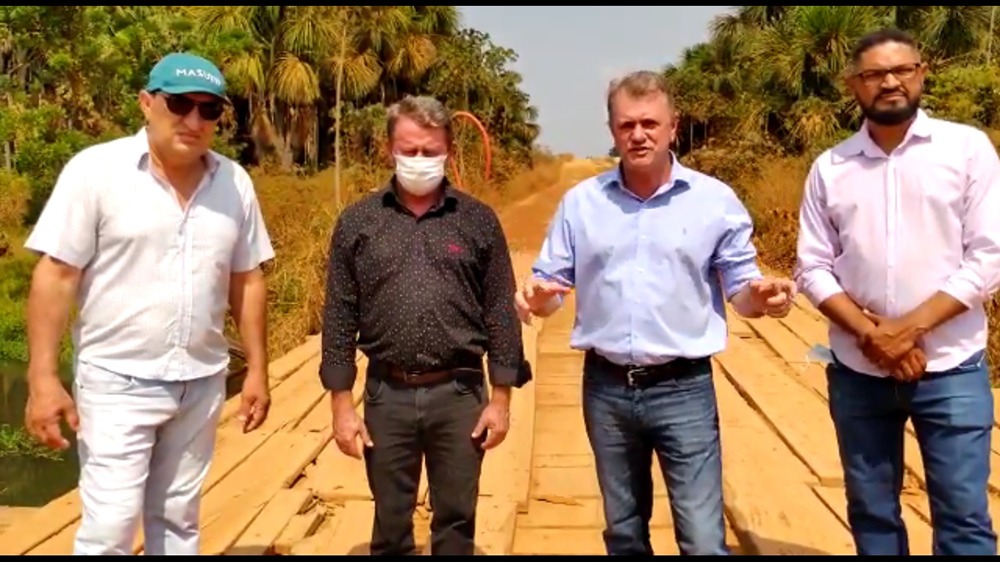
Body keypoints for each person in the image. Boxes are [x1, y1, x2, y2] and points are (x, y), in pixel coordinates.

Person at [515, 70, 797, 556]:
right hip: (606, 389)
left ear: (673, 127)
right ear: (612, 130)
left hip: (683, 388)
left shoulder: (714, 201)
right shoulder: (582, 204)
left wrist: (764, 300)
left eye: (650, 123)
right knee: (624, 532)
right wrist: (539, 300)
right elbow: (551, 285)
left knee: (704, 539)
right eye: (627, 125)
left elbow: (741, 290)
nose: (638, 134)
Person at [22, 52, 276, 555]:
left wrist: (258, 371)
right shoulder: (95, 172)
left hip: (201, 383)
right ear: (146, 103)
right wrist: (43, 378)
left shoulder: (234, 184)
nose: (194, 120)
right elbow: (55, 275)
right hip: (117, 381)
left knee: (179, 521)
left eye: (209, 111)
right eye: (180, 104)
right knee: (111, 526)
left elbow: (247, 280)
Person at [794, 28, 1000, 556]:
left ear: (921, 73)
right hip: (860, 372)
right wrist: (871, 335)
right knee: (872, 512)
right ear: (853, 86)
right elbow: (812, 268)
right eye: (873, 74)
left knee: (962, 516)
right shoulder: (831, 167)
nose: (889, 82)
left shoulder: (966, 149)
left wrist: (908, 331)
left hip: (951, 366)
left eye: (901, 70)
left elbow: (989, 257)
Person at [320, 94, 532, 556]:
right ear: (389, 150)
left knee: (456, 518)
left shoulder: (477, 220)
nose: (420, 160)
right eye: (410, 150)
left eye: (430, 151)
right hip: (385, 395)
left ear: (448, 151)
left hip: (459, 394)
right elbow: (338, 314)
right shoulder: (358, 222)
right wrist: (342, 406)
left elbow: (499, 310)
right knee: (391, 518)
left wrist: (501, 400)